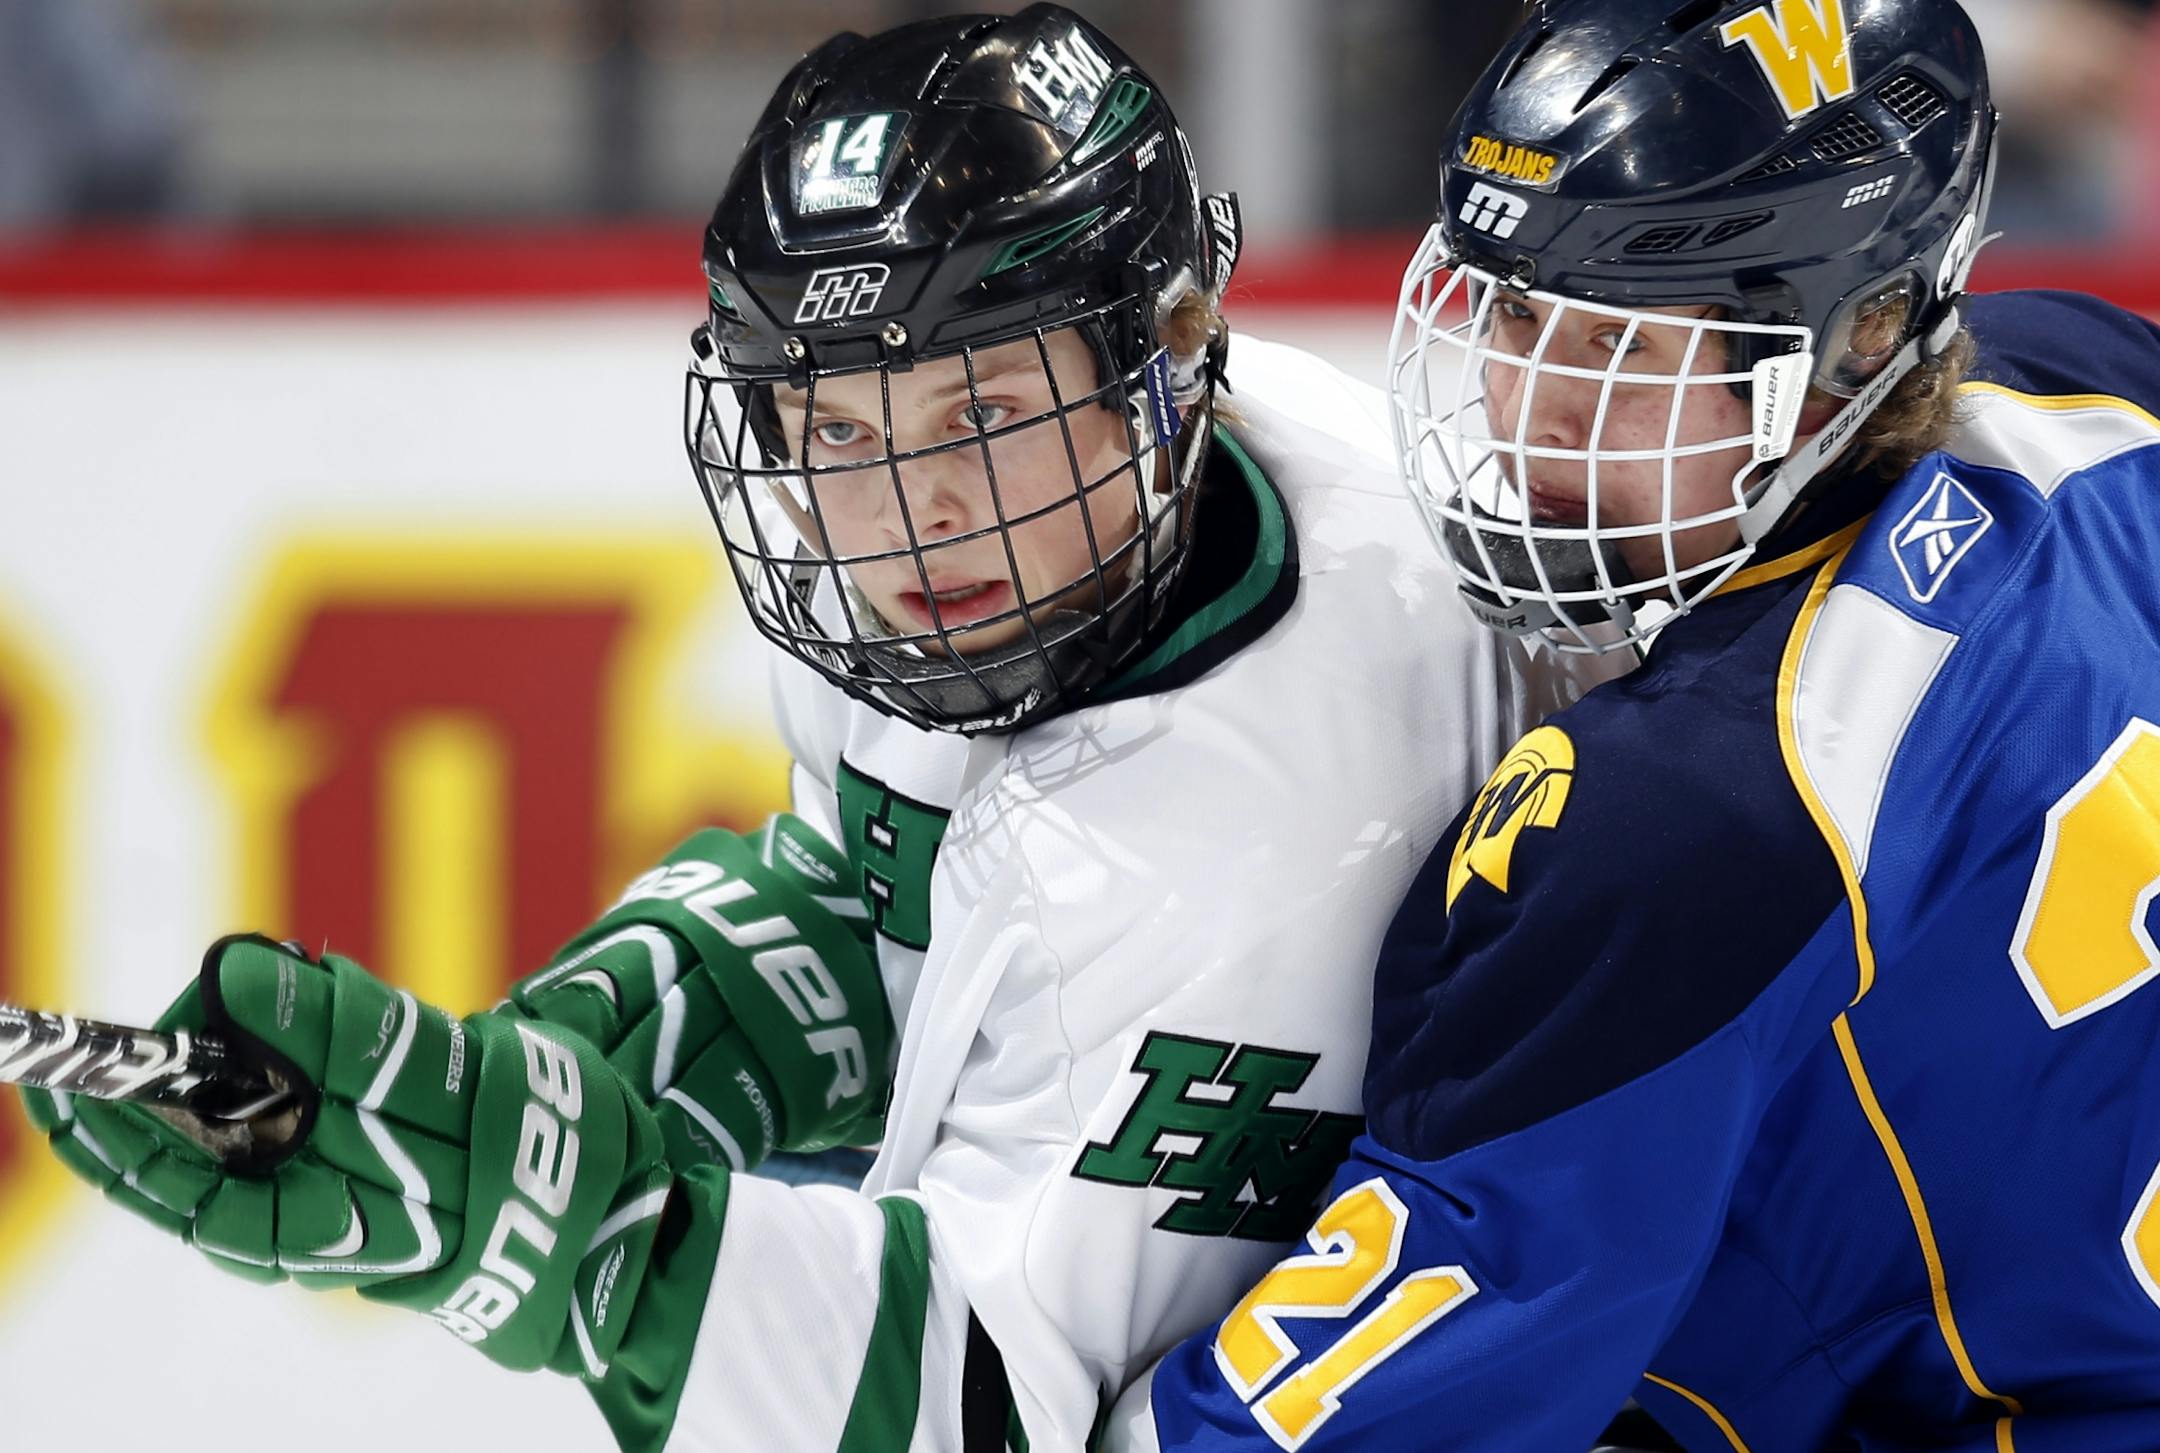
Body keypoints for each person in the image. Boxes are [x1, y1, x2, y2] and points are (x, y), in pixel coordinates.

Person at [17, 7, 1602, 1450]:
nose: (910, 516)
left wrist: (553, 1219)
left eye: (984, 414)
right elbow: (893, 893)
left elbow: (977, 1400)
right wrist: (608, 1046)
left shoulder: (1266, 831)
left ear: (1170, 357)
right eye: (836, 426)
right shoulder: (1081, 534)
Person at [1120, 0, 2160, 1449]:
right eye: (1520, 311)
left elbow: (1363, 1409)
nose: (1525, 401)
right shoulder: (2093, 383)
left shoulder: (1696, 807)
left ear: (1862, 337)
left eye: (1617, 342)